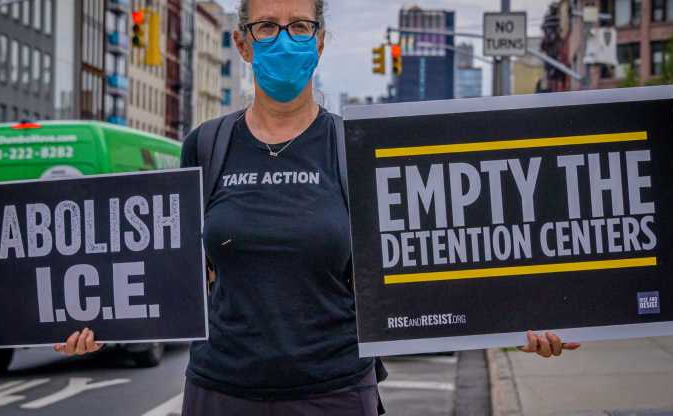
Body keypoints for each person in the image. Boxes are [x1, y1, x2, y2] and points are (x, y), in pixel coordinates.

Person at [55, 0, 581, 414]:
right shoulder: (205, 146)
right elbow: (168, 269)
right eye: (266, 26)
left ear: (321, 41)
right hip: (221, 394)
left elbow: (433, 255)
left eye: (300, 26)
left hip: (334, 392)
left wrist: (523, 315)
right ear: (242, 43)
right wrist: (97, 317)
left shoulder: (359, 148)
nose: (284, 40)